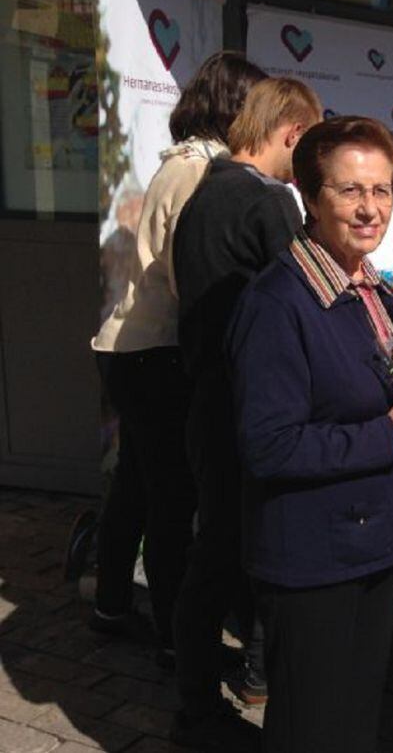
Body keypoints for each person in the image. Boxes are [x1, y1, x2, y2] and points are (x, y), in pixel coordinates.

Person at [227, 115, 393, 752]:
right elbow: (269, 446)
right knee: (312, 729)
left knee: (354, 724)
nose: (370, 209)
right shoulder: (277, 304)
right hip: (314, 561)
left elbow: (386, 409)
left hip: (371, 546)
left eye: (382, 190)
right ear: (310, 195)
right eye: (350, 191)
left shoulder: (377, 294)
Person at [86, 52, 267, 667]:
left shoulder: (182, 161)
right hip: (159, 351)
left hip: (129, 348)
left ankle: (112, 602)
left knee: (138, 485)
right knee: (172, 501)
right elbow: (193, 271)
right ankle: (174, 634)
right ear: (235, 107)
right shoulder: (204, 172)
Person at [169, 77, 322, 750]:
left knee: (214, 555)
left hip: (206, 395)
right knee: (240, 555)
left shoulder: (206, 190)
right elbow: (312, 298)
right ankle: (213, 702)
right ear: (290, 132)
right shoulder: (267, 202)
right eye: (307, 143)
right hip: (246, 406)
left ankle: (199, 694)